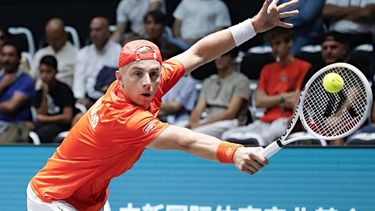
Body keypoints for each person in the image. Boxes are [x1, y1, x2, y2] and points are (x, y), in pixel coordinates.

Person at [27, 0, 299, 210]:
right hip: (52, 197)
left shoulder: (150, 81)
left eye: (154, 74)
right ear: (119, 78)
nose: (148, 82)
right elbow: (185, 141)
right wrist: (235, 153)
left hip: (89, 198)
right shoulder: (123, 117)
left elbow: (198, 52)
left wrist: (253, 25)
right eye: (138, 74)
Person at [222, 27, 311, 147]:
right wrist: (285, 98)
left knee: (263, 139)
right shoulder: (267, 69)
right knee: (228, 136)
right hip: (264, 120)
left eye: (278, 43)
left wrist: (272, 100)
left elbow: (298, 98)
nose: (275, 48)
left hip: (285, 120)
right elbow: (259, 102)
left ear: (289, 43)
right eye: (272, 44)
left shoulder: (304, 67)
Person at [187, 48, 250, 139]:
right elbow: (198, 108)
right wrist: (192, 123)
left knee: (194, 135)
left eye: (224, 55)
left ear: (233, 58)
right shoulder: (208, 81)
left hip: (229, 122)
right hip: (207, 120)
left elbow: (231, 113)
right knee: (178, 131)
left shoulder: (242, 80)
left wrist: (202, 124)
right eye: (217, 55)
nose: (219, 58)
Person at [73, 16, 122, 109]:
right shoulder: (83, 53)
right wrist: (80, 98)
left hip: (110, 101)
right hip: (87, 101)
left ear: (107, 32)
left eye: (98, 30)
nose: (94, 34)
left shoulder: (119, 51)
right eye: (91, 30)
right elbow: (78, 80)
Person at [32, 55, 78, 143]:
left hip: (63, 125)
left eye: (48, 71)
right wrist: (45, 94)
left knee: (44, 133)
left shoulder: (64, 90)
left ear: (56, 72)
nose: (44, 75)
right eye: (42, 71)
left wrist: (45, 119)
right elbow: (42, 114)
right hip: (48, 125)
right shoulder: (40, 92)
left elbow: (67, 117)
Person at [0, 41, 35, 144]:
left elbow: (11, 107)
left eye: (11, 55)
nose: (6, 59)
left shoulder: (26, 80)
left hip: (14, 125)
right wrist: (2, 86)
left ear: (19, 58)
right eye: (3, 55)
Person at [31, 18, 78, 88]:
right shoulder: (40, 54)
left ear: (65, 35)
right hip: (41, 93)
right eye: (50, 39)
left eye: (55, 39)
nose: (52, 42)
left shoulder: (77, 54)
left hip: (64, 94)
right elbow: (32, 78)